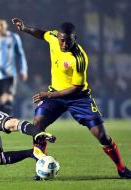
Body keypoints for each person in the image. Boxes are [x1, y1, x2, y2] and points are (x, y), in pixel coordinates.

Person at [12, 18, 131, 179]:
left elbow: (76, 88)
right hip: (55, 94)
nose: (64, 44)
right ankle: (41, 167)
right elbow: (42, 34)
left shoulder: (79, 58)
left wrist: (48, 95)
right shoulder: (54, 38)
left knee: (101, 135)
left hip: (78, 98)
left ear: (74, 39)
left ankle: (122, 169)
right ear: (58, 37)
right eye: (62, 40)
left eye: (68, 41)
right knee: (38, 123)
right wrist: (25, 28)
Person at [0, 19, 28, 115]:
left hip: (10, 73)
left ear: (6, 26)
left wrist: (23, 69)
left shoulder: (13, 37)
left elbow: (20, 54)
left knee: (8, 96)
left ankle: (8, 116)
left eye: (2, 26)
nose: (0, 28)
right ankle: (1, 119)